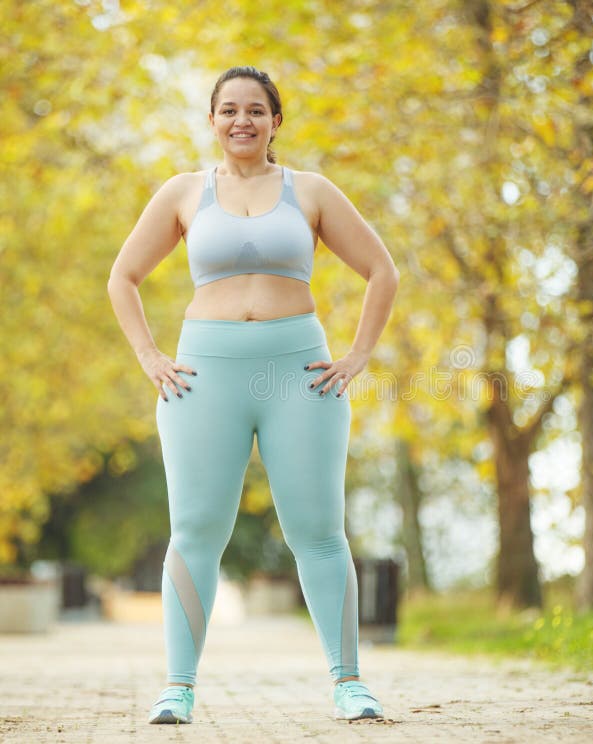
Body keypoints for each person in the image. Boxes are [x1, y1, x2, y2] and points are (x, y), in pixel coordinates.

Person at [107, 65, 400, 725]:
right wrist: (150, 356)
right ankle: (177, 687)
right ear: (212, 121)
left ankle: (349, 682)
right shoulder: (184, 193)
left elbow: (383, 270)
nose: (242, 121)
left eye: (256, 111)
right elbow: (122, 276)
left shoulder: (313, 191)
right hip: (203, 375)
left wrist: (358, 356)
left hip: (299, 374)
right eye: (229, 110)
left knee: (318, 530)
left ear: (275, 121)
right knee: (195, 532)